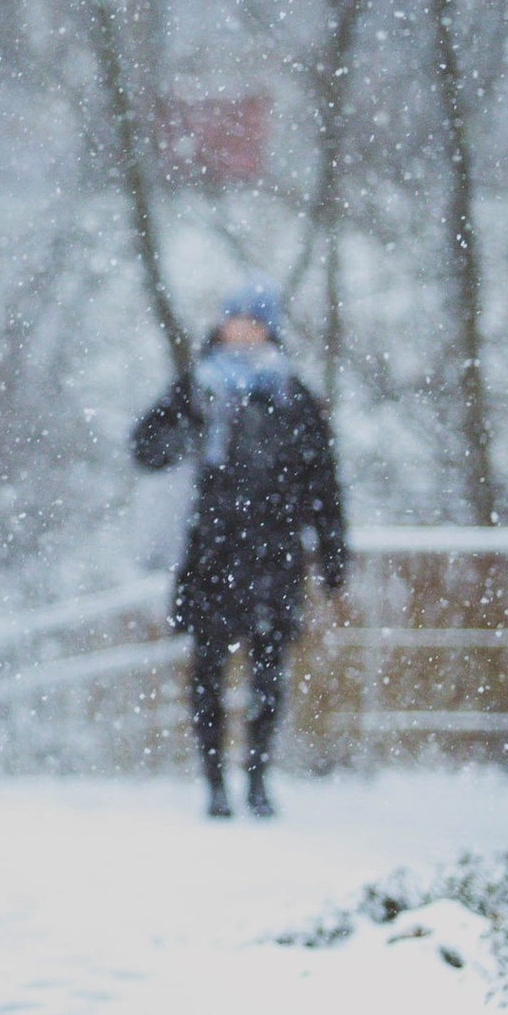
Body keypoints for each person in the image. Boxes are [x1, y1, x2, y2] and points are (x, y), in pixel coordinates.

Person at [132, 279, 347, 821]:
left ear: (269, 327)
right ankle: (213, 783)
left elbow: (322, 479)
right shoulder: (197, 388)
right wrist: (185, 436)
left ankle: (256, 778)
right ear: (222, 325)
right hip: (211, 552)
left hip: (275, 553)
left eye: (254, 319)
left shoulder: (292, 395)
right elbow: (145, 446)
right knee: (206, 670)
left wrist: (333, 549)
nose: (244, 329)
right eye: (236, 318)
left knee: (268, 672)